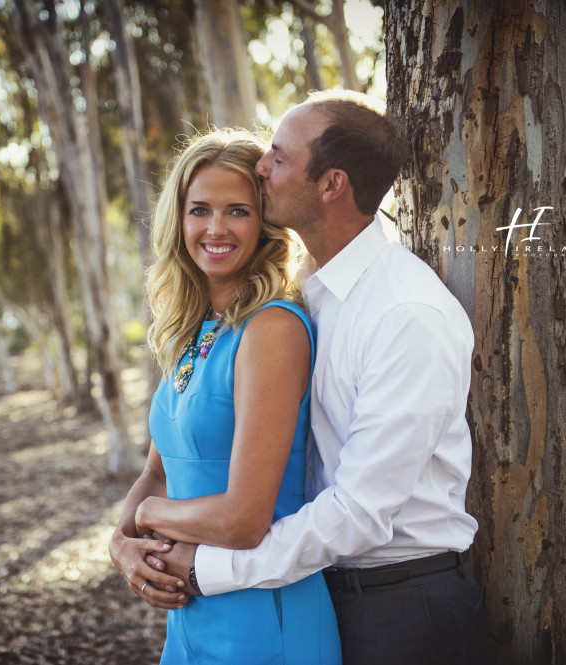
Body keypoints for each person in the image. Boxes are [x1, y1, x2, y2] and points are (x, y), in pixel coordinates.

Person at [141, 91, 488, 664]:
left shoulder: (406, 313)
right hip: (316, 586)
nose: (260, 166)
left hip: (399, 607)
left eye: (277, 157)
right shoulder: (309, 290)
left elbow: (358, 513)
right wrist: (133, 545)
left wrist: (212, 568)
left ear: (331, 185)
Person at [108, 129, 341, 664]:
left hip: (263, 619)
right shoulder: (191, 331)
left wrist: (148, 517)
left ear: (264, 222)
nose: (216, 229)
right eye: (199, 210)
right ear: (179, 219)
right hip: (191, 621)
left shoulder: (272, 329)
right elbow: (157, 472)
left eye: (237, 211)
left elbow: (244, 518)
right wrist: (122, 543)